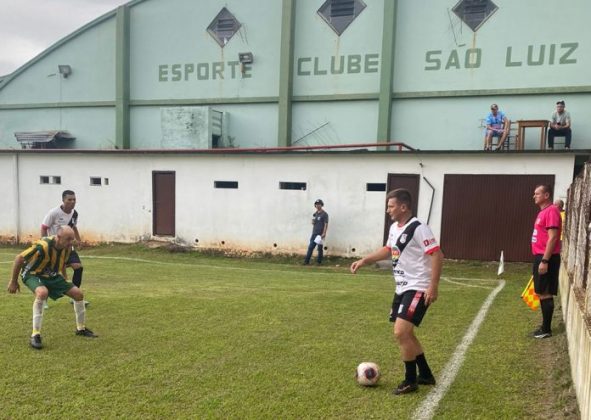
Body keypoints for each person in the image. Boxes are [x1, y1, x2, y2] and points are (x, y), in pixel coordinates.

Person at [350, 189, 443, 395]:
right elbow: (388, 250)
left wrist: (433, 285)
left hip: (417, 286)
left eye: (391, 206)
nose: (388, 210)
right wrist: (364, 260)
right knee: (407, 333)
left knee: (401, 332)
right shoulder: (394, 228)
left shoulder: (419, 228)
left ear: (403, 207)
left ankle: (410, 380)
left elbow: (437, 255)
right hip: (402, 287)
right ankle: (425, 374)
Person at [7, 226, 97, 349]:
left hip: (51, 275)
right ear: (58, 237)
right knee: (42, 293)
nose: (71, 242)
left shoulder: (67, 248)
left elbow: (62, 263)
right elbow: (19, 258)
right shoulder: (43, 245)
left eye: (72, 239)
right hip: (32, 273)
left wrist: (65, 279)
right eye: (68, 239)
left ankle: (81, 329)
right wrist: (13, 281)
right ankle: (35, 335)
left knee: (78, 294)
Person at [41, 189, 88, 306]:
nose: (72, 202)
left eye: (74, 199)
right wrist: (45, 244)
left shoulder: (74, 214)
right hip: (54, 247)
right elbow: (44, 227)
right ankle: (43, 299)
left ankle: (75, 297)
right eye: (69, 200)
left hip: (68, 247)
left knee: (78, 268)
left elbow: (74, 227)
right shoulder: (54, 213)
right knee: (49, 273)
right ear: (63, 200)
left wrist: (78, 240)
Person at [531, 185, 562, 339]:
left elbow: (553, 237)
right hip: (540, 256)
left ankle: (546, 329)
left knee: (545, 292)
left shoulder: (552, 211)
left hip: (546, 257)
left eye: (537, 193)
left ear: (546, 195)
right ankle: (544, 327)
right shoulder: (543, 212)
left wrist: (545, 260)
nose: (534, 196)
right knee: (541, 291)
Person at [303, 199, 329, 265]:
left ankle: (319, 262)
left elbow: (326, 224)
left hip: (320, 234)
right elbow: (314, 222)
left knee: (319, 248)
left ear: (321, 205)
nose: (317, 205)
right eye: (316, 204)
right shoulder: (315, 214)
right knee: (311, 247)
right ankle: (306, 261)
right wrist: (313, 222)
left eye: (319, 204)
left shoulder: (324, 214)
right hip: (314, 233)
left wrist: (324, 233)